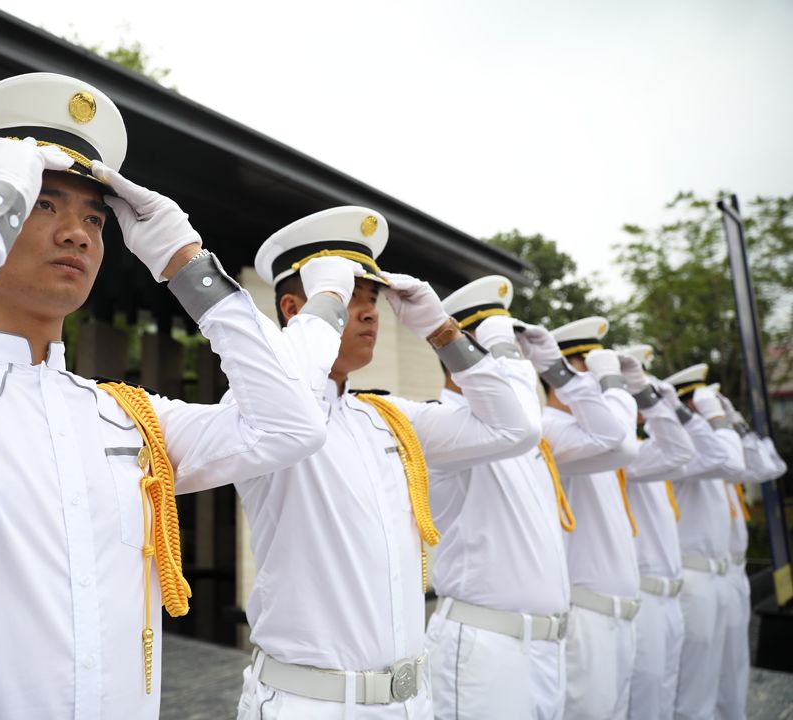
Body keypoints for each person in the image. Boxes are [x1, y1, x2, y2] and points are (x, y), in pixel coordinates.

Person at [0, 73, 336, 720]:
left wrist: (188, 265)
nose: (77, 233)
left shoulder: (124, 418)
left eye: (95, 219)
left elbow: (291, 426)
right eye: (44, 204)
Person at [234, 207, 541, 718]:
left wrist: (442, 331)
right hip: (309, 702)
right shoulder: (258, 407)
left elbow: (515, 427)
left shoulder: (389, 418)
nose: (370, 313)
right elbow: (286, 398)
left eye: (372, 299)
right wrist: (319, 319)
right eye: (348, 298)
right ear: (295, 308)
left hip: (407, 701)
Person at [423, 276, 571, 720]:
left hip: (545, 648)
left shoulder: (526, 434)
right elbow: (514, 421)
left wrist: (557, 368)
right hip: (485, 651)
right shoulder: (442, 423)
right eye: (500, 355)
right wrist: (498, 346)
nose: (517, 367)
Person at [542, 317, 641, 720]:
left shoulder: (588, 431)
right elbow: (620, 439)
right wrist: (615, 385)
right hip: (587, 618)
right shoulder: (549, 427)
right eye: (590, 371)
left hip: (618, 617)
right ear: (565, 374)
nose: (597, 385)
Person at [615, 345, 696, 720]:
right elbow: (680, 452)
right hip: (643, 598)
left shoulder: (647, 451)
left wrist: (655, 403)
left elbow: (685, 450)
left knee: (664, 702)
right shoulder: (625, 455)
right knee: (644, 706)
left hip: (671, 598)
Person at [661, 364, 746, 720]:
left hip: (720, 575)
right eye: (699, 403)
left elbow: (767, 465)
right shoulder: (686, 452)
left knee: (724, 677)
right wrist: (714, 419)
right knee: (693, 691)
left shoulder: (706, 447)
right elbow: (731, 461)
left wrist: (731, 423)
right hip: (693, 578)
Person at [713, 385, 778, 720]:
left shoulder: (725, 456)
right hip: (706, 575)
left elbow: (768, 467)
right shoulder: (710, 456)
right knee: (705, 679)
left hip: (732, 573)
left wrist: (736, 424)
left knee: (734, 669)